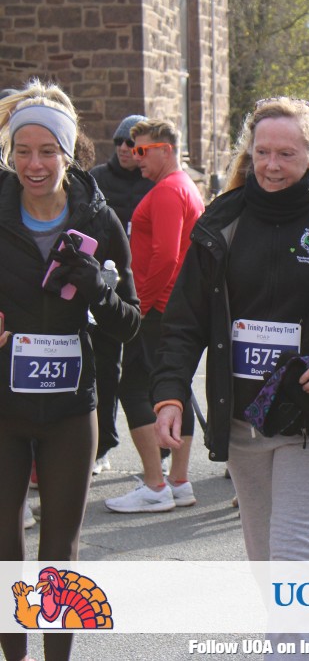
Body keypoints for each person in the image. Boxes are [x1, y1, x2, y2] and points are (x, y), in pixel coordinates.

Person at [151, 96, 309, 659]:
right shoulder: (221, 222)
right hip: (242, 422)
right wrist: (170, 394)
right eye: (262, 153)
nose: (271, 165)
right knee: (266, 565)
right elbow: (183, 323)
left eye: (286, 154)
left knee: (294, 557)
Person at [0, 79, 140, 661]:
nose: (34, 165)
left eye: (47, 151)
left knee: (60, 548)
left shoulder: (99, 221)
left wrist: (97, 292)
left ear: (68, 152)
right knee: (4, 546)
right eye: (22, 152)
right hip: (2, 406)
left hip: (70, 406)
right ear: (9, 154)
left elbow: (129, 322)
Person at [103, 119, 204, 514]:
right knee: (174, 389)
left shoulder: (168, 190)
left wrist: (141, 306)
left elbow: (166, 254)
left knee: (134, 388)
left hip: (159, 307)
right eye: (133, 149)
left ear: (166, 150)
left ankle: (156, 484)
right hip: (170, 305)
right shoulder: (181, 187)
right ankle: (176, 481)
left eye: (143, 150)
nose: (135, 156)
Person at [88, 114, 155, 474]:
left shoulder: (152, 182)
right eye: (119, 142)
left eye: (133, 144)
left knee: (143, 374)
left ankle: (158, 452)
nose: (125, 149)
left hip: (146, 288)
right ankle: (101, 445)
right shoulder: (97, 178)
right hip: (106, 287)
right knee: (105, 369)